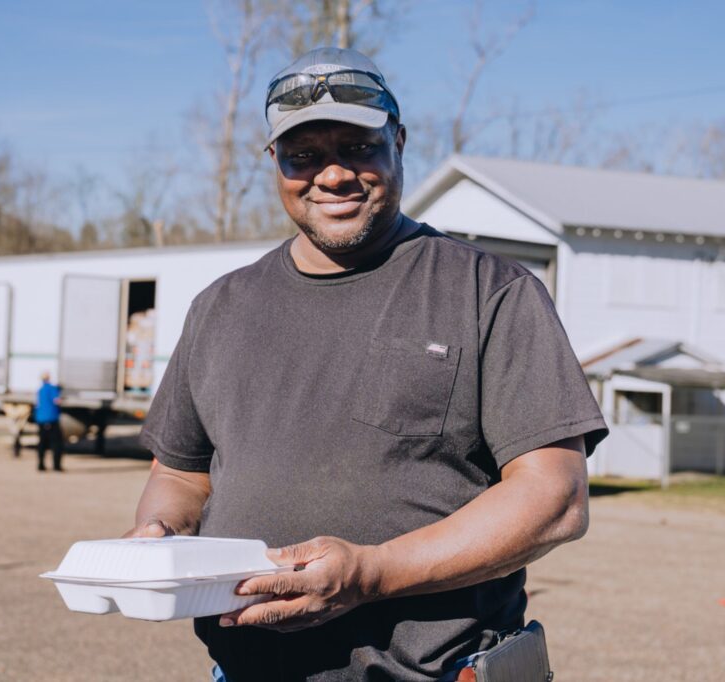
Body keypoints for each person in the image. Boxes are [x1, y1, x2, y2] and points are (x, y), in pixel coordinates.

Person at [127, 47, 609, 681]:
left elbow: (554, 498)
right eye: (304, 155)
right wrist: (158, 532)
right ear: (275, 162)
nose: (332, 175)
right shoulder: (220, 307)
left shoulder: (489, 290)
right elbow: (183, 476)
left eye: (357, 146)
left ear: (399, 142)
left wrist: (369, 574)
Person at [35, 371, 63, 472]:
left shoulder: (40, 389)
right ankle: (56, 466)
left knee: (42, 443)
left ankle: (40, 465)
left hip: (40, 419)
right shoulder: (52, 389)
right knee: (56, 443)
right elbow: (57, 401)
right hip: (51, 419)